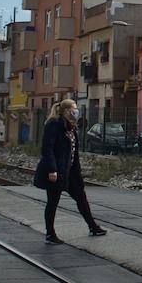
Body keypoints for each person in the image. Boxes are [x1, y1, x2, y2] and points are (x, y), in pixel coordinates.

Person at [33, 98, 107, 244]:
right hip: (57, 171)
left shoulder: (71, 127)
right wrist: (52, 169)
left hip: (70, 171)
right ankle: (50, 234)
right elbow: (47, 149)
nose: (76, 111)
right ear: (66, 110)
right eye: (74, 108)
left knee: (81, 198)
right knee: (53, 202)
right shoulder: (53, 124)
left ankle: (93, 227)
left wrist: (78, 173)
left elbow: (74, 152)